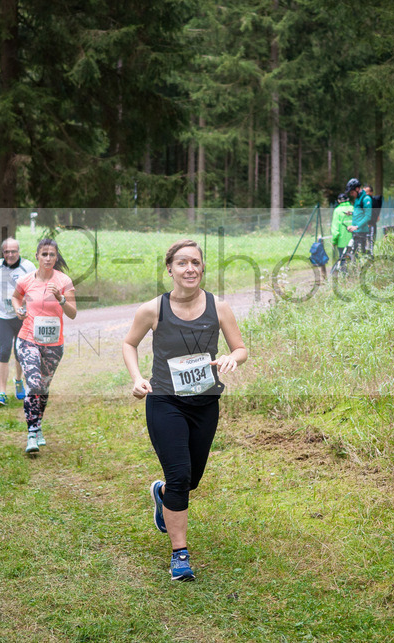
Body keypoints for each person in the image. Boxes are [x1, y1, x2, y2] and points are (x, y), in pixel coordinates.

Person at [121, 240, 248, 582]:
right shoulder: (153, 310)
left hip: (205, 403)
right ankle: (180, 555)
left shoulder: (219, 308)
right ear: (170, 269)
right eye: (182, 263)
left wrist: (230, 359)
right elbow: (129, 343)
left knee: (191, 479)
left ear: (202, 267)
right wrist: (137, 378)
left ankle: (162, 495)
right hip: (165, 401)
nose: (189, 268)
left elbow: (240, 348)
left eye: (195, 262)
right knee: (180, 477)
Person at [11, 238, 77, 454]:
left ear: (56, 258)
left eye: (52, 255)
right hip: (28, 338)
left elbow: (73, 313)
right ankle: (32, 433)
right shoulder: (26, 279)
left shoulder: (64, 281)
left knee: (44, 388)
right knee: (34, 382)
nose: (48, 258)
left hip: (54, 343)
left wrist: (61, 298)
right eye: (44, 254)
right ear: (37, 256)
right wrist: (18, 310)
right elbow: (15, 297)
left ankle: (37, 424)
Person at [0, 238, 36, 407]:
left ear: (19, 251)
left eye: (13, 251)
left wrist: (29, 304)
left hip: (22, 316)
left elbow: (35, 287)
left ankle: (19, 381)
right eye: (6, 252)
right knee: (4, 351)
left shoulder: (27, 267)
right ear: (3, 253)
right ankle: (2, 393)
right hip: (3, 317)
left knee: (20, 352)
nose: (10, 255)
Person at [346, 178, 372, 254]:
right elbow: (360, 212)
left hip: (362, 232)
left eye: (352, 192)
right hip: (355, 232)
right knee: (353, 254)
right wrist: (351, 213)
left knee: (361, 255)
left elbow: (368, 216)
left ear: (357, 189)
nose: (351, 194)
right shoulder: (357, 199)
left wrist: (356, 227)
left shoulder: (366, 199)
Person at [331, 192, 354, 261]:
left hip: (341, 241)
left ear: (338, 201)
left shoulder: (337, 211)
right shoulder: (353, 208)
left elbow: (335, 228)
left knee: (343, 260)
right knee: (353, 259)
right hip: (354, 240)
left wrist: (334, 241)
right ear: (348, 199)